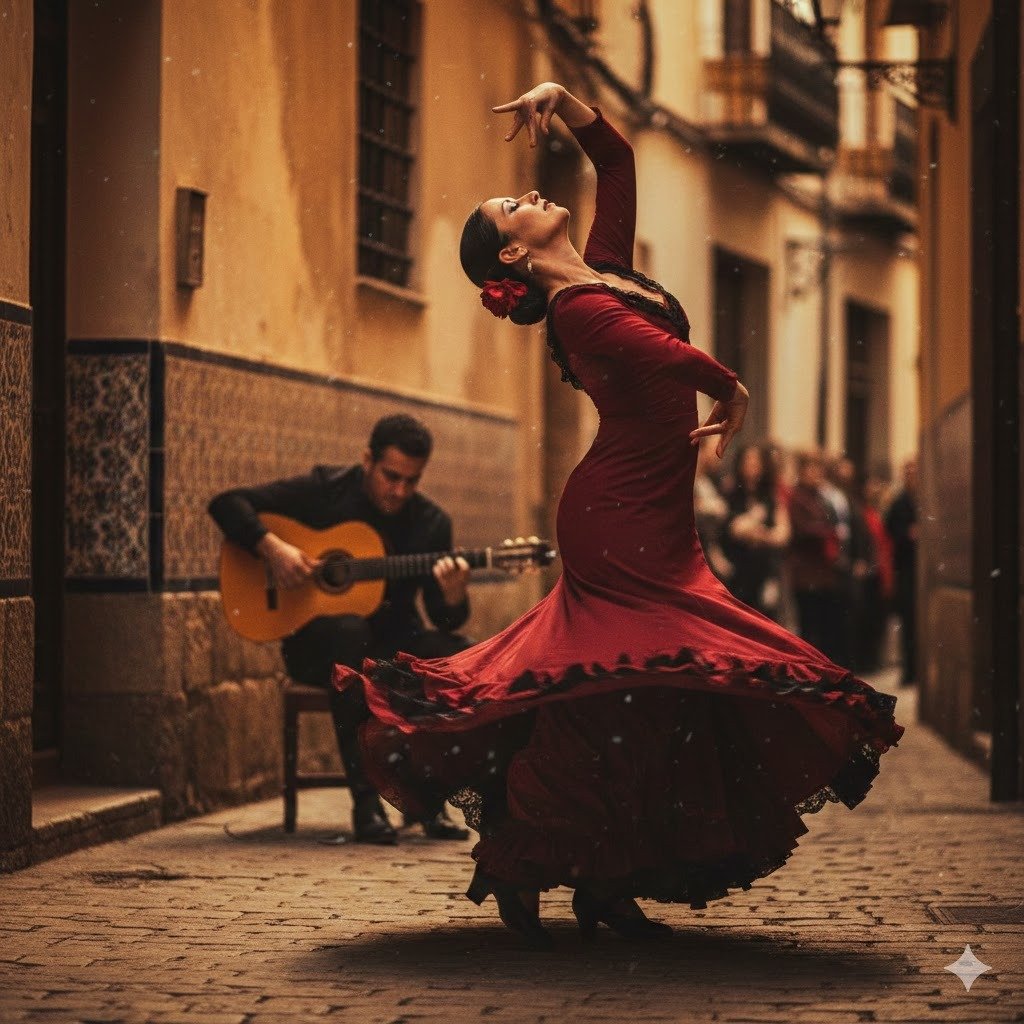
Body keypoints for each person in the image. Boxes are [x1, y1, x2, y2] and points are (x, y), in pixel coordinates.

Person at [335, 83, 904, 948]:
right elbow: (666, 356)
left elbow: (619, 159)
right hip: (619, 521)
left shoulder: (603, 269)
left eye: (519, 193)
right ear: (514, 259)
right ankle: (523, 860)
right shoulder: (581, 308)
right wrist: (733, 387)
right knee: (608, 699)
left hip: (656, 515)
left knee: (658, 700)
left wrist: (564, 100)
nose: (526, 195)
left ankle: (608, 881)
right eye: (510, 208)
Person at [208, 414, 472, 845]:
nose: (400, 491)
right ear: (367, 459)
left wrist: (455, 595)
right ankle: (366, 803)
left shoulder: (430, 523)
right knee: (349, 636)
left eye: (412, 481)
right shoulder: (326, 490)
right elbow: (226, 503)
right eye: (391, 476)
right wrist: (271, 548)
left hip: (392, 644)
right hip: (320, 647)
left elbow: (444, 618)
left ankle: (429, 797)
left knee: (456, 653)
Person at [787, 451, 848, 663]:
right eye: (812, 469)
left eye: (818, 469)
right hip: (807, 575)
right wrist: (828, 532)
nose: (816, 474)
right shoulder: (798, 497)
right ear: (802, 472)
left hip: (823, 574)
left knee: (824, 628)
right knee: (809, 628)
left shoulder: (819, 497)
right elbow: (803, 530)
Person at [720, 444, 790, 618]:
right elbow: (736, 529)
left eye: (756, 460)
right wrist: (761, 527)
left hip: (765, 571)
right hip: (738, 571)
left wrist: (757, 533)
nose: (752, 464)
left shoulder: (770, 497)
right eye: (748, 460)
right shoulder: (731, 493)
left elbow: (783, 535)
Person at [885, 458, 919, 687]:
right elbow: (891, 532)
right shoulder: (899, 503)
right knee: (908, 621)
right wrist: (908, 535)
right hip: (906, 569)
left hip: (918, 571)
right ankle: (909, 671)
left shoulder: (924, 500)